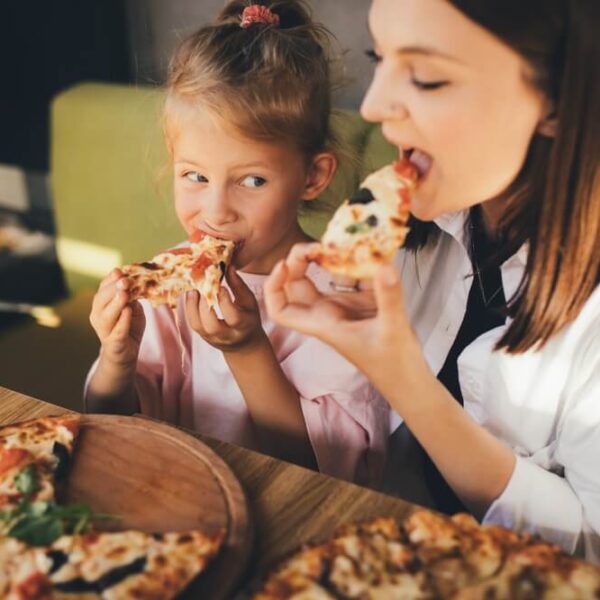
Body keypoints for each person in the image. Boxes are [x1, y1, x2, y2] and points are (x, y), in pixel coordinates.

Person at [264, 0, 600, 560]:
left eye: (425, 76)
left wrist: (404, 380)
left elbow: (590, 550)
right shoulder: (409, 228)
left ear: (559, 100)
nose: (372, 106)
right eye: (381, 57)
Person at [84, 0, 390, 488]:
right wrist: (117, 359)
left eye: (251, 181)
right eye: (196, 176)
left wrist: (248, 349)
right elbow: (107, 421)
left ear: (313, 176)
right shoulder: (169, 286)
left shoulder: (343, 299)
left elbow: (328, 471)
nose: (217, 210)